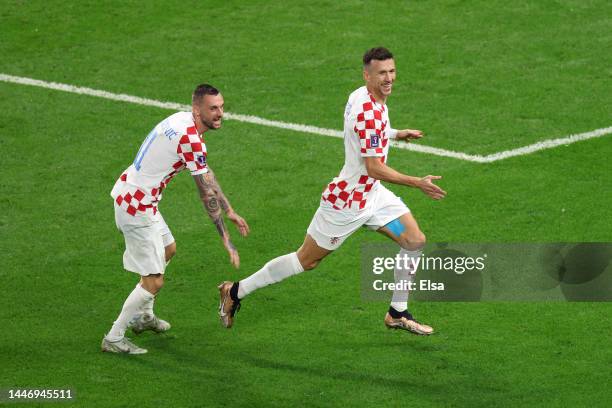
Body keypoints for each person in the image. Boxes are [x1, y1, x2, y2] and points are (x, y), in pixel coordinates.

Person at [218, 47, 446, 335]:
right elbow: (374, 167)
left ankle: (397, 312)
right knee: (306, 260)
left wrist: (395, 134)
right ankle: (235, 291)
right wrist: (418, 182)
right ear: (367, 75)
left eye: (392, 71)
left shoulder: (362, 97)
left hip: (372, 195)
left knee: (414, 240)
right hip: (347, 201)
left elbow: (366, 134)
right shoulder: (368, 111)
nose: (389, 78)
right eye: (382, 73)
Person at [102, 84, 250, 354]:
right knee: (154, 280)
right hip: (137, 206)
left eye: (222, 107)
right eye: (213, 108)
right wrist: (226, 240)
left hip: (137, 194)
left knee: (169, 249)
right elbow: (206, 195)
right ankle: (114, 336)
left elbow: (206, 174)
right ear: (197, 110)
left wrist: (229, 210)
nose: (220, 114)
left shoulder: (182, 121)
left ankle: (144, 315)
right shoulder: (190, 139)